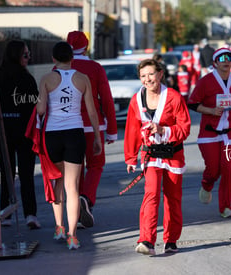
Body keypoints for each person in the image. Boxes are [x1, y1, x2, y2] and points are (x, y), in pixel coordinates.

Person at [36, 41, 102, 250]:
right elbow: (91, 111)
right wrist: (98, 138)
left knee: (57, 182)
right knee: (72, 187)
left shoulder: (46, 78)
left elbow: (40, 109)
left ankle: (59, 227)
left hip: (52, 135)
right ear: (72, 58)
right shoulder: (82, 79)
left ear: (53, 59)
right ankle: (73, 236)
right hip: (75, 133)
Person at [124, 59, 191, 255]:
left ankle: (171, 239)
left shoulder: (174, 97)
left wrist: (162, 129)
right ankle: (147, 240)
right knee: (151, 194)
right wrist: (130, 157)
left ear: (160, 74)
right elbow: (132, 130)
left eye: (151, 74)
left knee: (173, 198)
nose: (147, 79)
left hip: (173, 154)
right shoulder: (136, 100)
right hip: (150, 153)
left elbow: (184, 128)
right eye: (143, 76)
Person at [188, 48, 231, 219]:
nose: (226, 60)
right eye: (222, 58)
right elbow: (193, 104)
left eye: (229, 57)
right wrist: (210, 110)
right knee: (213, 169)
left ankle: (226, 207)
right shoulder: (205, 81)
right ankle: (207, 185)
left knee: (229, 169)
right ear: (215, 62)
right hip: (209, 133)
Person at [66, 31, 118, 228]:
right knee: (95, 165)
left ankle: (77, 210)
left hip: (67, 126)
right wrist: (112, 130)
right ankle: (87, 199)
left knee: (74, 169)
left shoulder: (59, 68)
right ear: (86, 47)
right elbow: (106, 100)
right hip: (92, 125)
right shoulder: (95, 67)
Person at [0, 40, 41, 229]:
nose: (28, 58)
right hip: (23, 131)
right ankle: (30, 214)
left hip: (3, 130)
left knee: (6, 173)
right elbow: (35, 106)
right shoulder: (26, 78)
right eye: (25, 54)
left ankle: (5, 212)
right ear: (16, 55)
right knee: (26, 174)